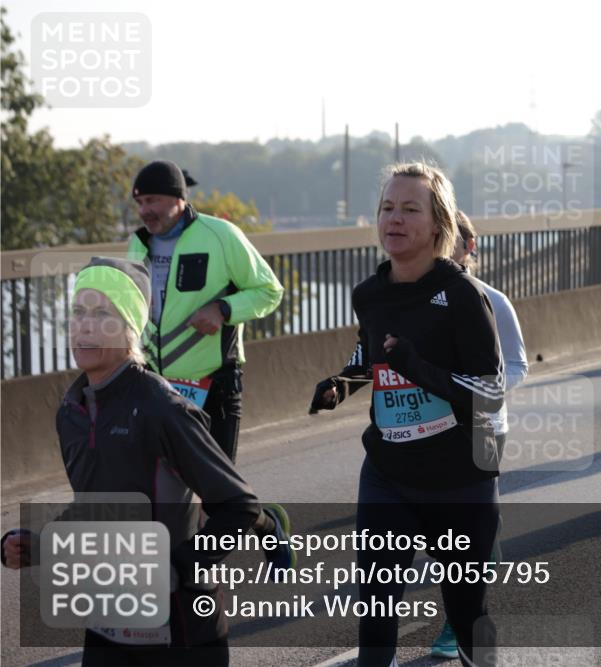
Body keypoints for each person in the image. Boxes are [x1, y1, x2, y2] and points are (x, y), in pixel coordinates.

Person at [2, 257, 262, 666]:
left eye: (103, 313)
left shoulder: (162, 408)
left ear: (130, 328)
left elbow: (241, 507)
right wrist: (38, 546)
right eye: (77, 312)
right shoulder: (72, 411)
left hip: (182, 629)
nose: (84, 325)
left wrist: (176, 566)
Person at [309, 162, 505, 667]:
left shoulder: (463, 296)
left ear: (438, 224)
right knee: (375, 611)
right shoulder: (369, 295)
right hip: (389, 475)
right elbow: (370, 355)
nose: (394, 219)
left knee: (467, 617)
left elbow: (488, 392)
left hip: (460, 479)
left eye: (410, 209)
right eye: (387, 208)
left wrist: (415, 366)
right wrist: (341, 383)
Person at [126, 161, 293, 573]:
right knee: (161, 495)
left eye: (154, 200)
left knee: (219, 496)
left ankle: (266, 523)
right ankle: (177, 584)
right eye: (140, 202)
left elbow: (269, 290)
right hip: (156, 386)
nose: (146, 210)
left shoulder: (220, 235)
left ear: (179, 200)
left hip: (214, 383)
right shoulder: (138, 245)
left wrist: (224, 308)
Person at [429, 211, 529, 659]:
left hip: (485, 428)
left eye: (456, 240)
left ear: (470, 246)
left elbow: (519, 364)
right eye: (441, 237)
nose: (448, 247)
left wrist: (481, 396)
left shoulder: (493, 300)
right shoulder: (420, 302)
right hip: (432, 432)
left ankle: (457, 625)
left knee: (466, 533)